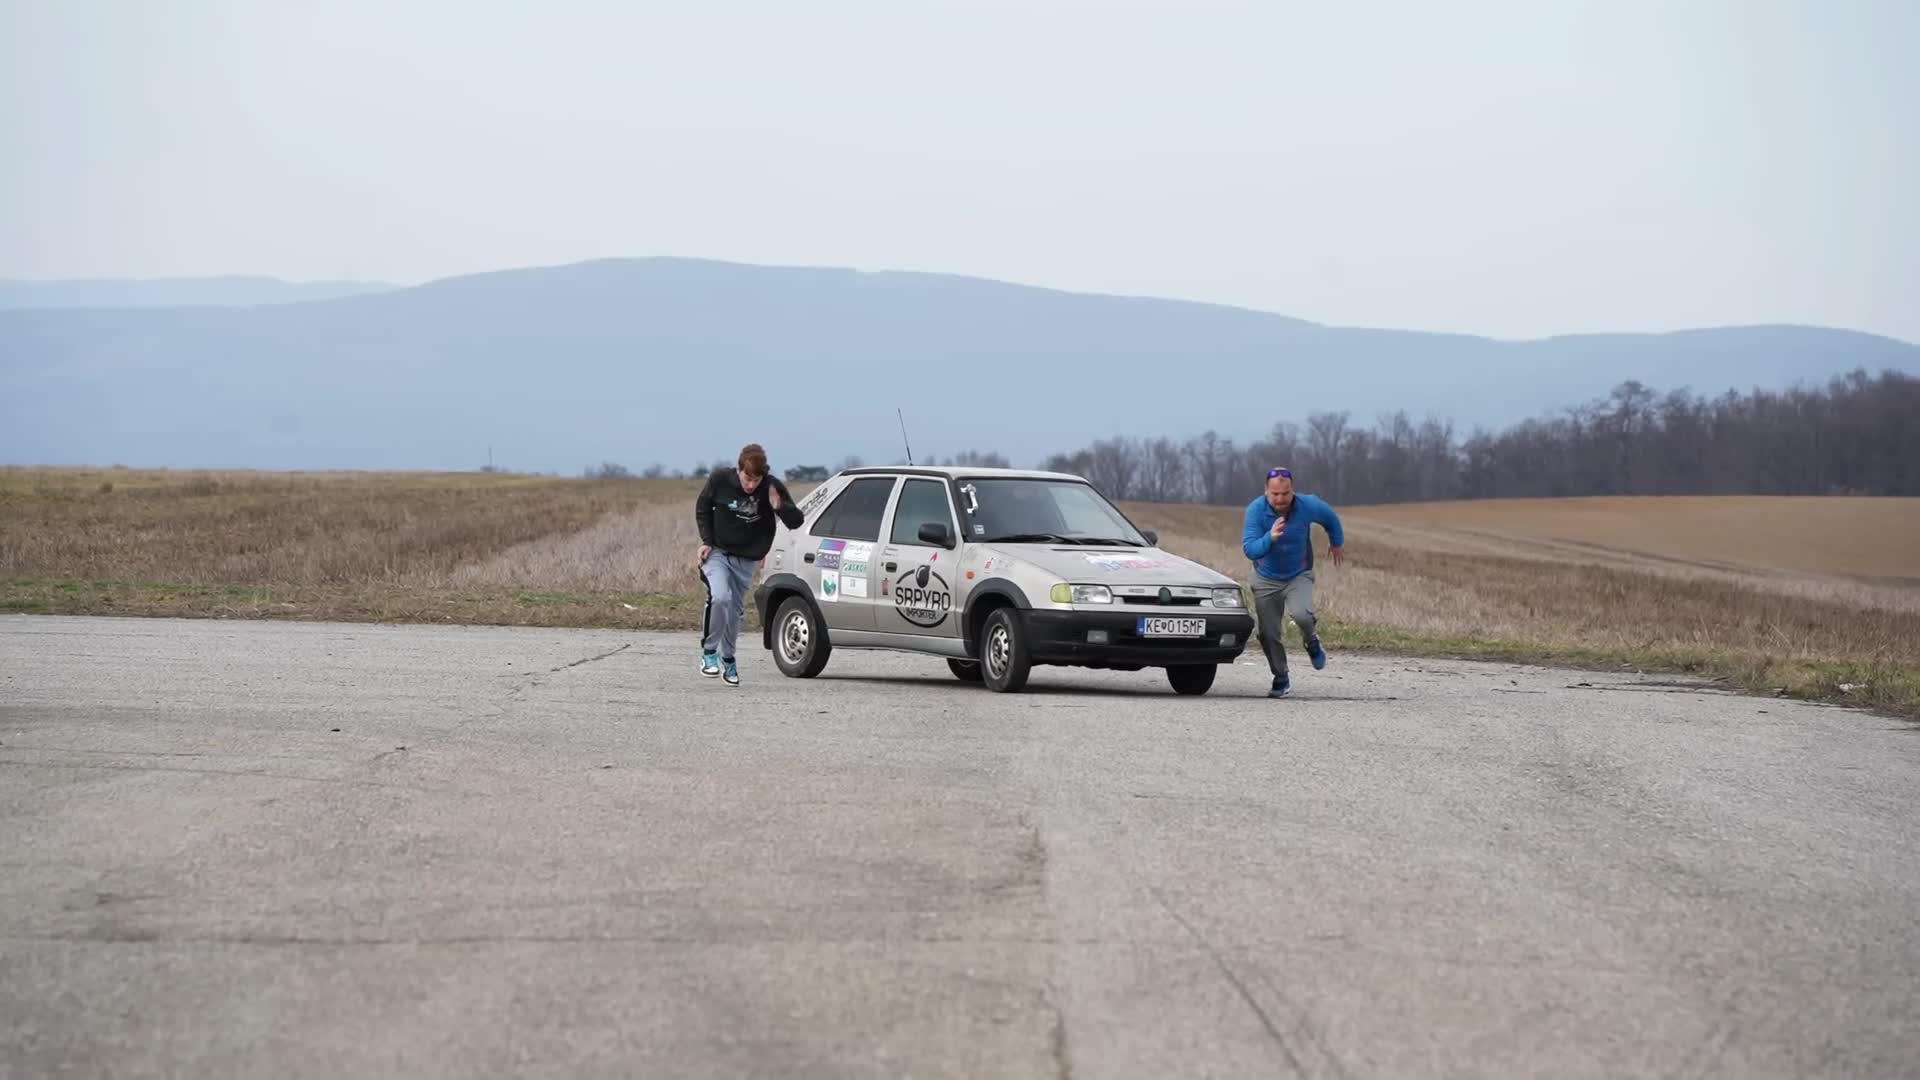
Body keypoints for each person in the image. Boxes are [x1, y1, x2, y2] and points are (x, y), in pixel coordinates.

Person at [694, 443, 804, 685]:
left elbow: (796, 521)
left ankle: (729, 659)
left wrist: (780, 507)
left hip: (747, 560)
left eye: (756, 480)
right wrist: (707, 541)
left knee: (734, 613)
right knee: (720, 598)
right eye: (747, 478)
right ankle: (709, 653)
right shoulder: (720, 479)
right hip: (719, 553)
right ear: (738, 469)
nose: (751, 485)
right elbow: (702, 507)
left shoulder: (771, 486)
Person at [1241, 466, 1345, 699]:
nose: (1280, 499)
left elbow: (1330, 518)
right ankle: (1281, 676)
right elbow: (1250, 549)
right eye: (1275, 494)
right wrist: (1270, 537)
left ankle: (1311, 641)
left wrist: (1336, 541)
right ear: (1266, 492)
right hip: (1265, 578)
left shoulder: (1308, 505)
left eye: (1285, 494)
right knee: (1268, 633)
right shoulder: (1255, 511)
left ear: (1292, 491)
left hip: (1298, 574)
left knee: (1301, 615)